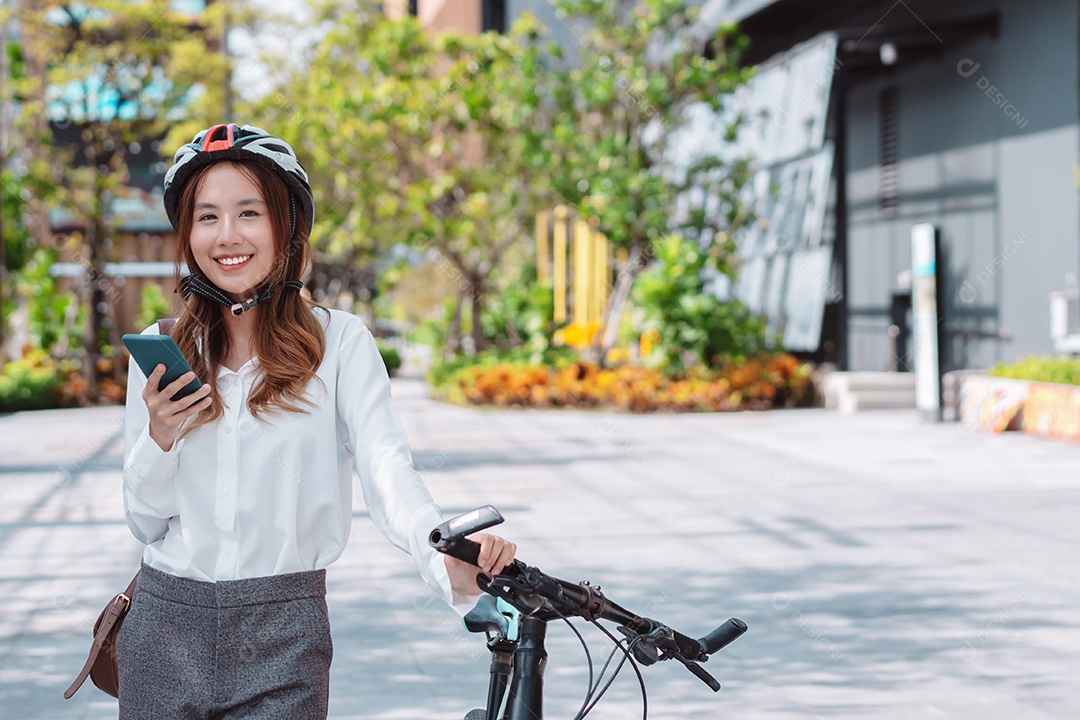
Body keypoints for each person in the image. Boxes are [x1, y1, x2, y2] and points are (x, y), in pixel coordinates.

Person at [118, 123, 515, 719]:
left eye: (249, 213)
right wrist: (160, 437)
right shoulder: (160, 349)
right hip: (165, 627)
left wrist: (442, 556)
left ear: (286, 228)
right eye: (207, 217)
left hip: (285, 631)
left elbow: (386, 468)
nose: (227, 236)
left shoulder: (340, 343)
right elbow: (145, 523)